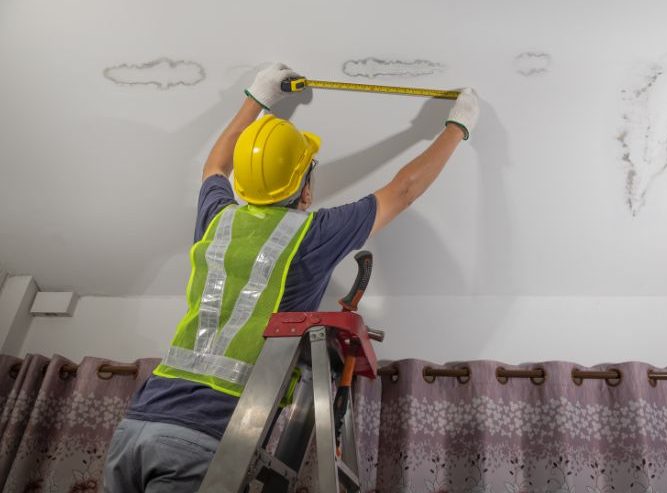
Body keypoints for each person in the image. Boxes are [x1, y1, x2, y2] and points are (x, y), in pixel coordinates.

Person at [102, 62, 479, 492]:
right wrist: (459, 126)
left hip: (136, 428)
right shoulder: (312, 234)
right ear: (306, 188)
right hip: (202, 438)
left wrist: (257, 98)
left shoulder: (217, 218)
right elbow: (403, 191)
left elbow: (214, 166)